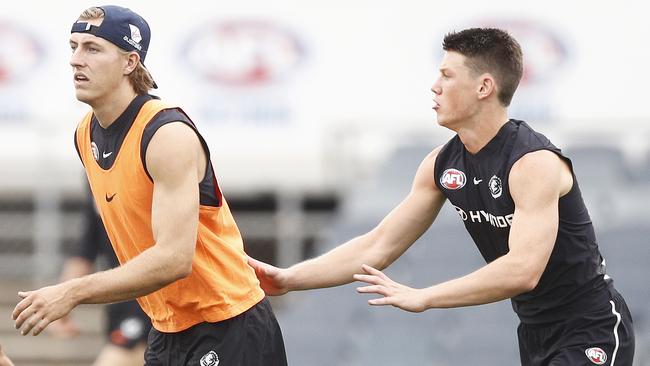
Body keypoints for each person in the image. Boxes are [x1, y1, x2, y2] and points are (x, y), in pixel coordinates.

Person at [247, 28, 635, 365]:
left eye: (447, 76)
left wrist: (426, 297)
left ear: (484, 87)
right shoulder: (442, 165)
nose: (435, 87)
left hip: (592, 327)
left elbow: (523, 270)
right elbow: (378, 245)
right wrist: (290, 278)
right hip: (534, 331)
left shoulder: (533, 163)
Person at [12, 5, 286, 366]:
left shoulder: (165, 135)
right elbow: (103, 231)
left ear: (130, 62)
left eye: (93, 49)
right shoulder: (85, 134)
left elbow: (173, 259)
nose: (76, 60)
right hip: (165, 327)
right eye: (73, 46)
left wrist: (72, 291)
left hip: (227, 321)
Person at [48, 189, 151, 366]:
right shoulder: (93, 169)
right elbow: (87, 244)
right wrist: (61, 299)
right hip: (123, 302)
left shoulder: (147, 164)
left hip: (157, 294)